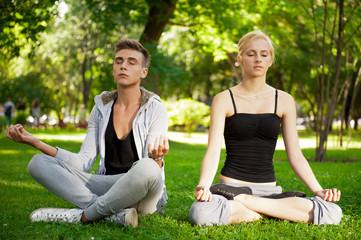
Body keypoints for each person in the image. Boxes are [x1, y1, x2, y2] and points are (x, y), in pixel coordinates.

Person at [7, 39, 169, 228]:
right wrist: (35, 142)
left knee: (148, 167)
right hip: (106, 185)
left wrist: (157, 159)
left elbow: (151, 169)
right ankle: (111, 213)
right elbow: (83, 162)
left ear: (144, 72)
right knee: (38, 162)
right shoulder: (101, 108)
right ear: (113, 68)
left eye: (131, 62)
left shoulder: (155, 108)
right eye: (119, 61)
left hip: (143, 193)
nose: (123, 66)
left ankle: (83, 216)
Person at [189, 31, 342, 226]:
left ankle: (252, 204)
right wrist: (204, 184)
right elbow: (212, 151)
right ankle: (274, 211)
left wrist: (318, 190)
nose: (258, 59)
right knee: (200, 212)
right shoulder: (224, 99)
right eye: (251, 54)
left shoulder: (284, 100)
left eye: (264, 54)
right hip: (230, 189)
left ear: (270, 60)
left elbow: (295, 155)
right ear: (240, 59)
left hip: (269, 192)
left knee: (333, 212)